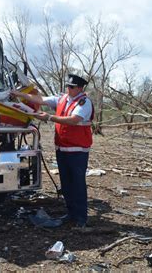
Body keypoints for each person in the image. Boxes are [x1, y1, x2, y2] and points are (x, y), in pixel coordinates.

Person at [11, 74, 94, 227]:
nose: (68, 89)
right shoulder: (62, 99)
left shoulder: (84, 102)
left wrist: (49, 117)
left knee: (78, 184)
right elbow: (40, 100)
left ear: (80, 88)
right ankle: (71, 214)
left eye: (72, 87)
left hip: (77, 151)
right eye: (68, 86)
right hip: (62, 149)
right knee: (66, 184)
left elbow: (74, 120)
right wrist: (19, 94)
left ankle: (81, 218)